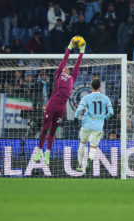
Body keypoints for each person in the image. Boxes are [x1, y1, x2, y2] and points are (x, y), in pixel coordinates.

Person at [34, 36, 85, 166]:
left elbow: (78, 63)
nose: (67, 67)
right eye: (65, 67)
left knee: (53, 131)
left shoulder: (73, 77)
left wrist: (81, 51)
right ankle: (39, 150)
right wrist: (69, 47)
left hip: (62, 107)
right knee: (45, 128)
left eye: (68, 67)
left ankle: (48, 153)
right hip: (52, 103)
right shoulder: (58, 73)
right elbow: (64, 59)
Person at [74, 79, 114, 173]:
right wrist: (105, 118)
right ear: (100, 86)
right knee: (93, 147)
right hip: (98, 126)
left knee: (82, 144)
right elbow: (111, 112)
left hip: (87, 125)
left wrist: (76, 118)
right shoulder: (105, 98)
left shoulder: (86, 97)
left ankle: (80, 165)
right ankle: (90, 159)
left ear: (91, 86)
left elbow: (79, 109)